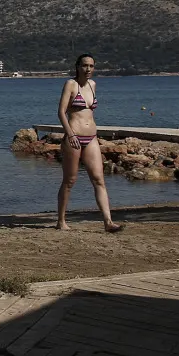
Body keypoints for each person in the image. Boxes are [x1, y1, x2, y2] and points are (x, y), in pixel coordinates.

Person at [56, 54, 122, 232]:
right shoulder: (71, 84)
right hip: (74, 137)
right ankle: (61, 221)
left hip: (91, 137)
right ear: (77, 66)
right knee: (70, 180)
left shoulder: (93, 85)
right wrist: (70, 135)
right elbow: (61, 112)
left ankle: (108, 222)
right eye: (85, 65)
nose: (88, 69)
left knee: (99, 179)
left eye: (91, 66)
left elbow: (89, 113)